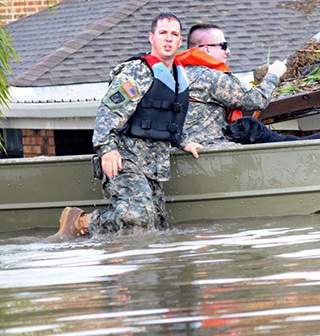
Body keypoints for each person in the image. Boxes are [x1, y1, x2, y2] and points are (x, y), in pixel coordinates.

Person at [54, 12, 202, 238]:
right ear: (151, 37)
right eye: (163, 33)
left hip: (154, 165)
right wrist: (107, 149)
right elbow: (109, 111)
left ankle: (121, 255)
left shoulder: (179, 76)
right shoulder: (137, 72)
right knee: (138, 217)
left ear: (180, 41)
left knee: (155, 226)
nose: (168, 39)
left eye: (174, 34)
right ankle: (80, 221)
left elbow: (166, 118)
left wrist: (184, 141)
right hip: (126, 159)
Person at [175, 23, 287, 149]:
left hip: (180, 150)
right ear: (206, 49)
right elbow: (256, 100)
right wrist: (273, 75)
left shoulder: (177, 74)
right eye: (223, 46)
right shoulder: (210, 77)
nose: (228, 51)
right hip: (210, 150)